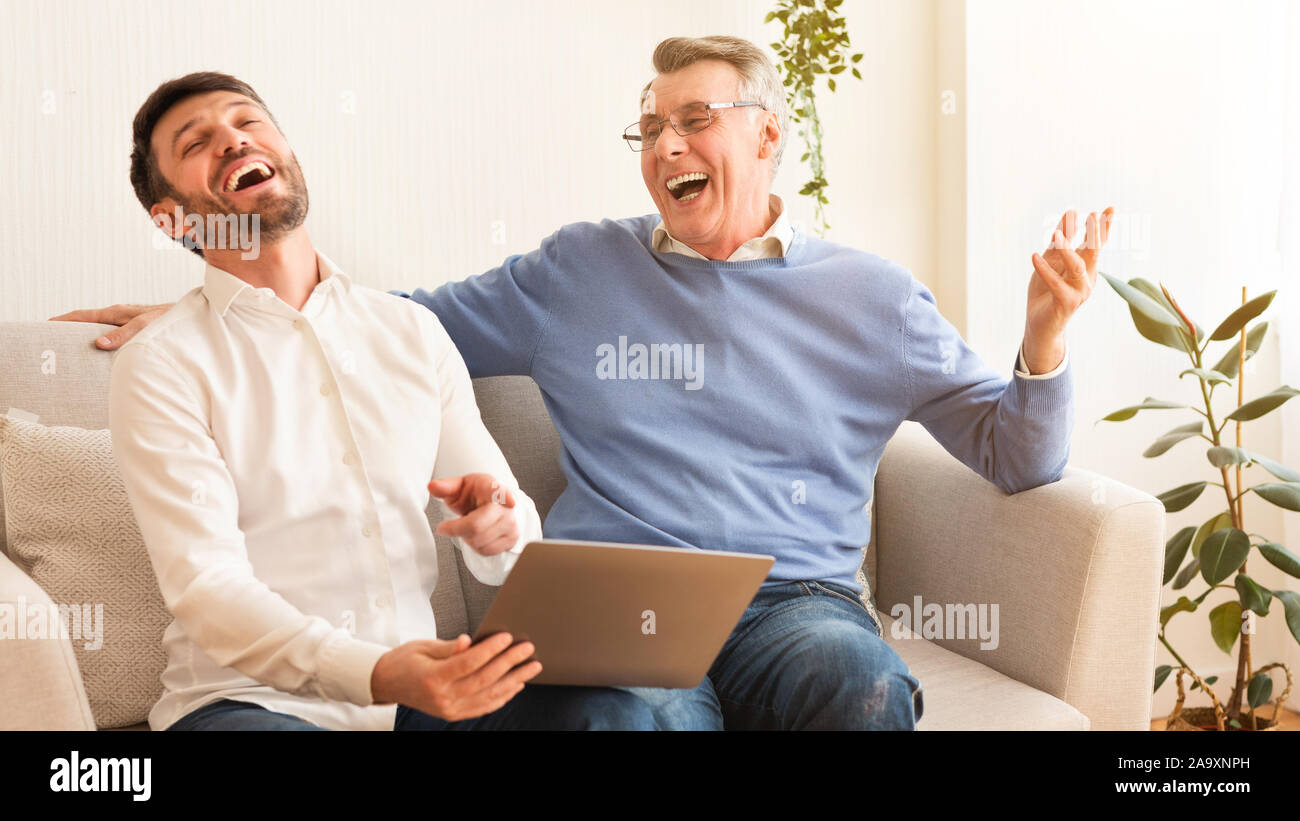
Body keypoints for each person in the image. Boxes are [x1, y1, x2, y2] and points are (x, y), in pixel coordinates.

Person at [60, 37, 1113, 730]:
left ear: (765, 136)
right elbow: (387, 322)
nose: (666, 146)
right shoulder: (575, 272)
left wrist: (1046, 340)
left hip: (793, 601)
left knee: (862, 682)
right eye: (649, 128)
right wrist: (211, 308)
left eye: (694, 120)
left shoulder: (872, 296)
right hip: (617, 599)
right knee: (629, 717)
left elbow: (1016, 455)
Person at [98, 72, 655, 731]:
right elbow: (207, 589)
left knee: (609, 714)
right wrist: (377, 671)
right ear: (172, 218)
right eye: (196, 142)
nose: (230, 138)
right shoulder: (162, 362)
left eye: (247, 122)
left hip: (415, 701)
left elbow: (511, 527)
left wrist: (498, 526)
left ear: (286, 152)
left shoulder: (409, 331)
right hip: (249, 703)